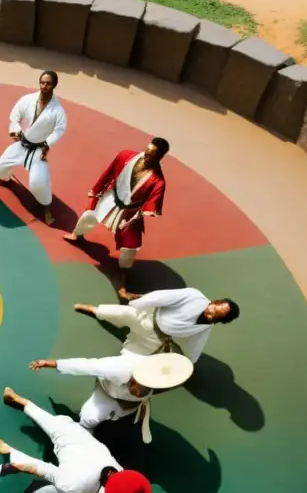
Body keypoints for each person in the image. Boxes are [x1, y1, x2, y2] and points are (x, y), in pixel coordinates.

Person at [0, 387, 152, 493]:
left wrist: (12, 454)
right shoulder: (86, 483)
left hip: (72, 453)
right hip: (75, 448)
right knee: (59, 425)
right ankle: (19, 403)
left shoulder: (77, 484)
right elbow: (39, 468)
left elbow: (40, 468)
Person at [65, 139, 169, 289]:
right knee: (90, 215)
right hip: (112, 197)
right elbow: (108, 172)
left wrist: (140, 213)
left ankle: (124, 268)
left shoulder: (158, 181)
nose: (147, 155)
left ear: (159, 157)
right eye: (147, 151)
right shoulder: (126, 156)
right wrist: (96, 190)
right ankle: (77, 235)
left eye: (151, 155)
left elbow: (153, 203)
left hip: (130, 210)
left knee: (130, 245)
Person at [30, 352, 193, 439]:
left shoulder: (160, 380)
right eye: (135, 390)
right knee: (88, 417)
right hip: (107, 392)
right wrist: (51, 364)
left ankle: (139, 406)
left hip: (132, 403)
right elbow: (85, 365)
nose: (136, 392)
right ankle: (87, 441)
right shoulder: (115, 368)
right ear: (133, 379)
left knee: (122, 412)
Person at [74, 288, 240, 364]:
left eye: (215, 316)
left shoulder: (204, 329)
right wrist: (137, 303)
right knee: (118, 313)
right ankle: (95, 310)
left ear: (217, 322)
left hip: (156, 338)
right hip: (147, 316)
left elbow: (196, 345)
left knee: (132, 360)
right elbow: (161, 297)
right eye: (213, 308)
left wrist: (190, 363)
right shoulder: (194, 296)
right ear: (213, 302)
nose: (210, 313)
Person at [0, 70, 68, 225]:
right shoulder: (28, 100)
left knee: (38, 183)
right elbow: (15, 115)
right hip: (22, 143)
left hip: (39, 149)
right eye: (42, 82)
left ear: (54, 85)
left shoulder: (57, 110)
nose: (44, 86)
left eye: (48, 84)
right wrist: (16, 130)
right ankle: (5, 179)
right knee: (1, 168)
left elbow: (60, 129)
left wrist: (47, 144)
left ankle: (46, 206)